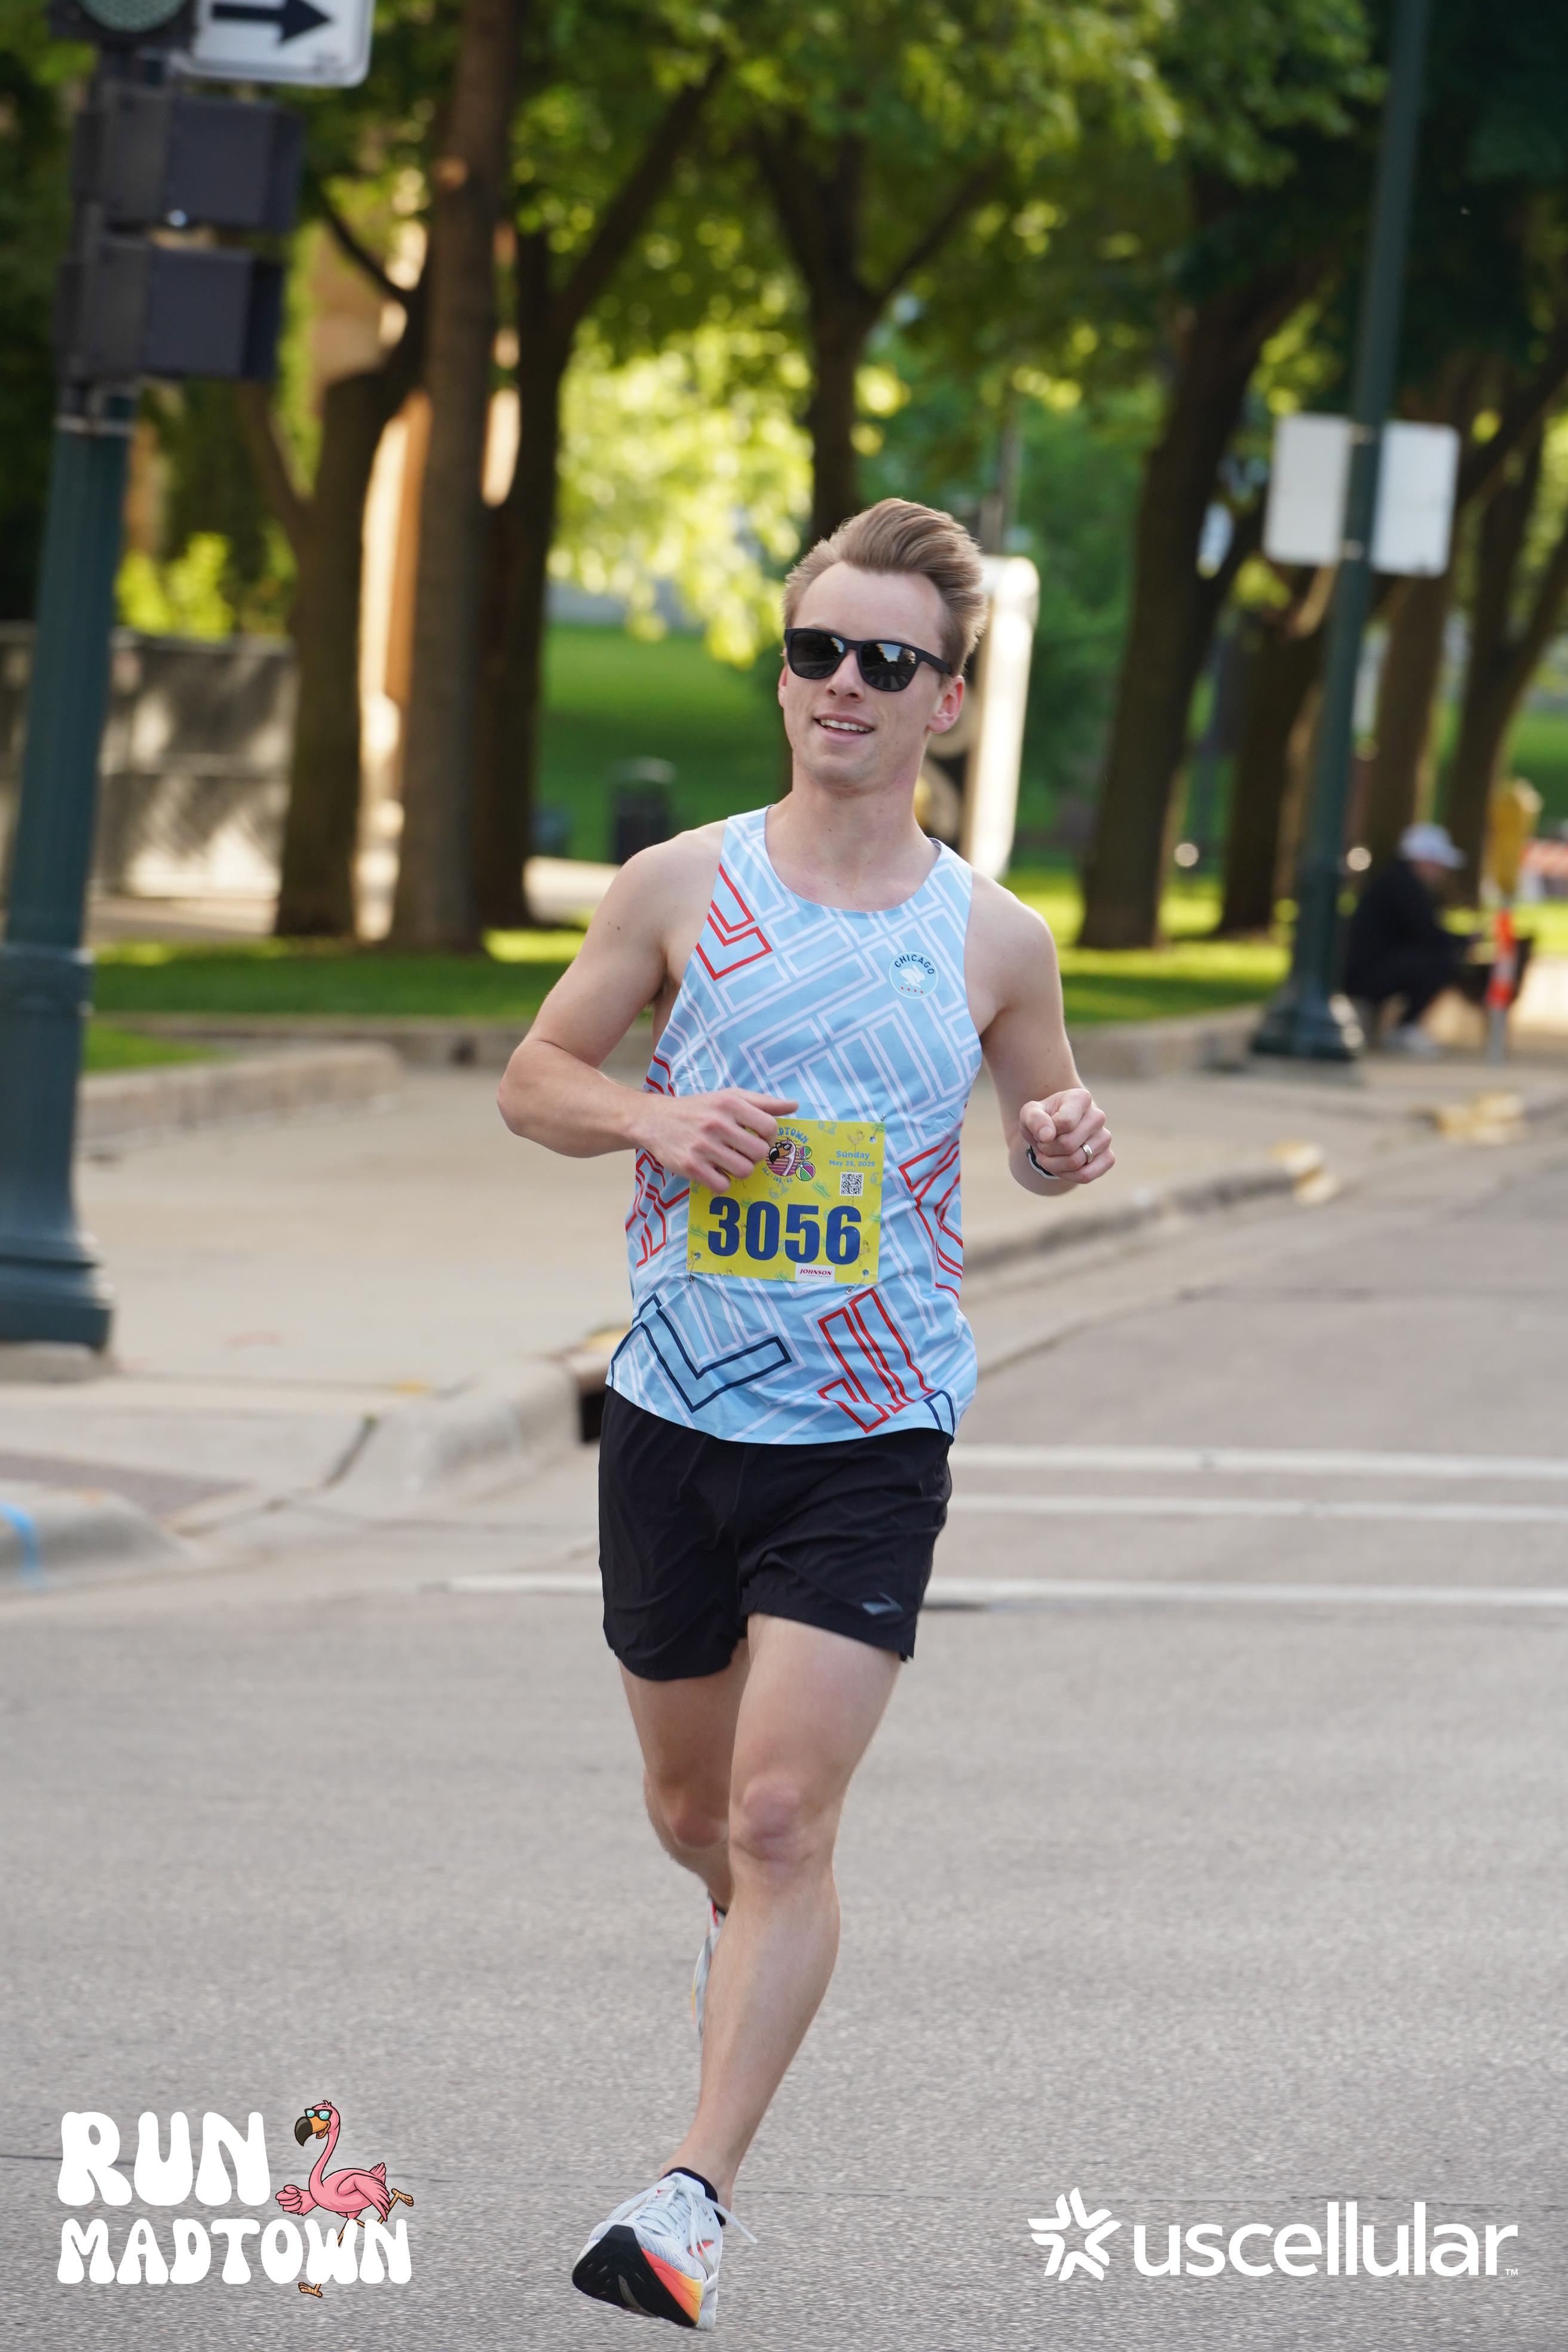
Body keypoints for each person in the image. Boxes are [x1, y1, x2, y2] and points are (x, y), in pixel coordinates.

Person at [497, 498, 1114, 2332]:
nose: (842, 683)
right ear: (784, 675)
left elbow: (1045, 1126)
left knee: (778, 1813)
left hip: (871, 1430)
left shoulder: (994, 937)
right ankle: (743, 1922)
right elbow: (536, 1079)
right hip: (675, 1416)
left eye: (884, 661)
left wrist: (1060, 1139)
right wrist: (653, 1118)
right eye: (814, 650)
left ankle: (689, 2197)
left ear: (945, 700)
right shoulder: (679, 889)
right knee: (694, 1810)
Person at [1342, 821, 1480, 1054]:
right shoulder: (1405, 887)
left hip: (1366, 967)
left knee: (1436, 957)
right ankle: (1406, 1028)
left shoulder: (1396, 880)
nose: (1443, 873)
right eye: (1440, 865)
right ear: (1424, 861)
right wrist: (1463, 942)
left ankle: (1404, 1027)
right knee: (1441, 962)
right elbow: (1427, 934)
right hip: (1366, 973)